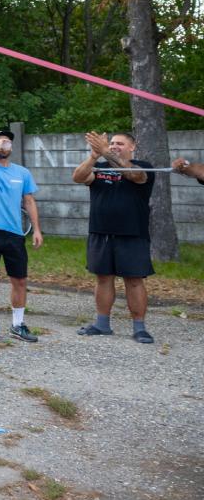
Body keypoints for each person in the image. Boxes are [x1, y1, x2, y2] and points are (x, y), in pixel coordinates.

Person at [72, 131, 156, 344]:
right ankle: (102, 324)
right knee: (103, 278)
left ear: (132, 147)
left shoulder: (143, 166)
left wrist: (105, 152)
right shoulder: (99, 168)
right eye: (111, 143)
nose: (114, 146)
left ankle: (139, 328)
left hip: (132, 233)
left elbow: (135, 176)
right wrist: (94, 156)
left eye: (120, 143)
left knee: (134, 281)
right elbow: (78, 177)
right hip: (101, 232)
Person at [0, 130, 44, 343]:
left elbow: (29, 200)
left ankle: (18, 325)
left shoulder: (22, 172)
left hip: (14, 233)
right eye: (0, 142)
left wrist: (37, 229)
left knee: (20, 280)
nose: (5, 145)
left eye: (8, 142)